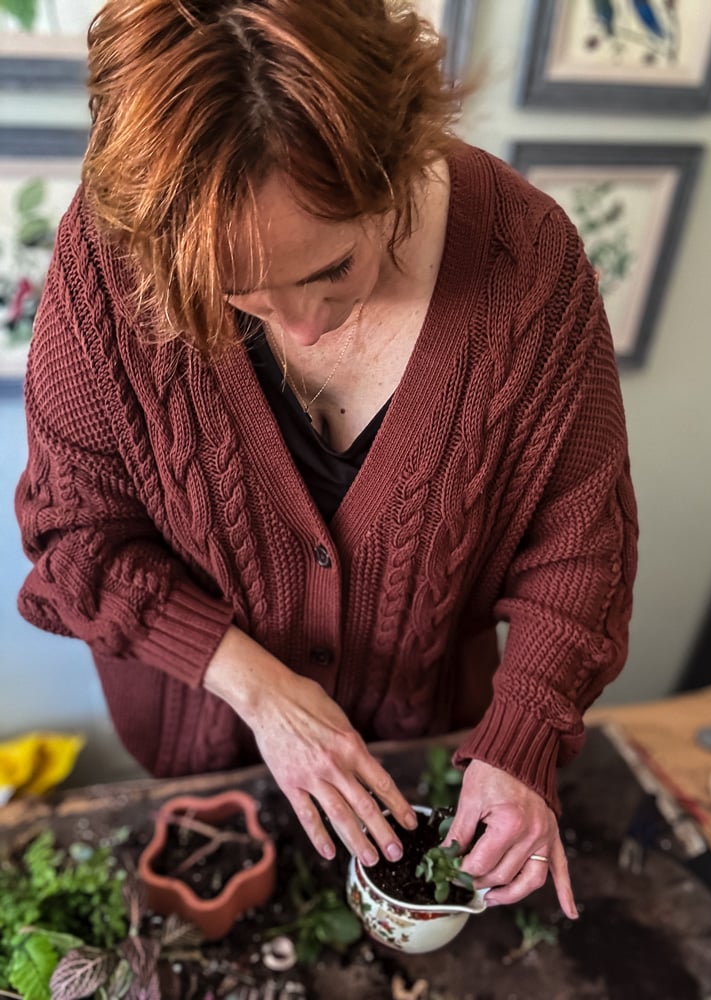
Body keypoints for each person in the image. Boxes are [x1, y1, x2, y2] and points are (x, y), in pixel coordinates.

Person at [15, 0, 637, 922]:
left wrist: (519, 744)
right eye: (239, 295)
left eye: (332, 269)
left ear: (402, 153)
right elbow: (75, 538)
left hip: (429, 750)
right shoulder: (112, 257)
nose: (300, 327)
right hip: (199, 743)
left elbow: (579, 552)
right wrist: (262, 692)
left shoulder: (525, 262)